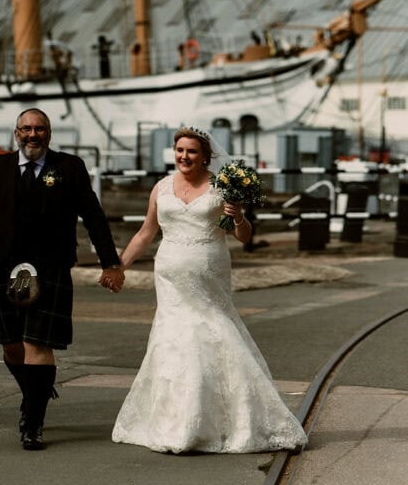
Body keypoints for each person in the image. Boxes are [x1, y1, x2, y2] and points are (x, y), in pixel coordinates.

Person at [106, 125, 307, 454]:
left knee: (214, 333)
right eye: (180, 150)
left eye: (192, 152)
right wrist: (120, 266)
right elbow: (146, 232)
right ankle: (176, 423)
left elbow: (243, 236)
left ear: (205, 157)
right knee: (174, 341)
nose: (184, 156)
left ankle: (228, 422)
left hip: (209, 274)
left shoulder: (221, 187)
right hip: (169, 275)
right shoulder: (161, 188)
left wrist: (238, 216)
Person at [0, 107, 124, 451]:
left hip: (50, 270)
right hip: (4, 268)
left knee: (38, 346)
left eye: (40, 129)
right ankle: (36, 393)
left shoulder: (69, 167)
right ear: (16, 134)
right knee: (11, 347)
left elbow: (93, 216)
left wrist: (111, 263)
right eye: (26, 129)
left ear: (49, 133)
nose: (33, 135)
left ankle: (32, 422)